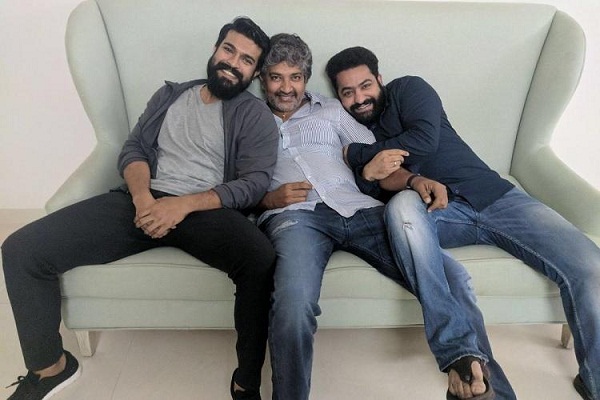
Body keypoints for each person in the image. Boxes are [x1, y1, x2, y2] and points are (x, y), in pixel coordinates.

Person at [2, 17, 278, 400]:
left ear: (255, 73)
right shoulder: (170, 95)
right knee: (21, 249)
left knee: (260, 257)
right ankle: (51, 369)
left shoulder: (255, 114)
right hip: (141, 200)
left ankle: (246, 380)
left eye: (246, 60)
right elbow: (133, 150)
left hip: (203, 208)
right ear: (215, 50)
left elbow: (254, 183)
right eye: (229, 50)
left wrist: (180, 206)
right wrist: (143, 198)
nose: (233, 62)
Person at [326, 45, 600, 400]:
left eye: (365, 86)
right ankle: (480, 380)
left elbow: (425, 140)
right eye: (348, 92)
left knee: (590, 264)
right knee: (400, 209)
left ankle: (595, 380)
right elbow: (371, 186)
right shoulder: (345, 129)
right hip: (435, 212)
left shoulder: (408, 89)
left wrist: (361, 156)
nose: (360, 98)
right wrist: (367, 170)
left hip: (493, 196)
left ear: (379, 79)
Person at [258, 33, 510, 400]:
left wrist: (413, 180)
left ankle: (474, 378)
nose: (286, 88)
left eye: (295, 77)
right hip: (296, 217)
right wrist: (267, 199)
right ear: (261, 79)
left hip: (361, 209)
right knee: (293, 305)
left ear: (306, 79)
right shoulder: (246, 119)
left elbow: (378, 162)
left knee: (454, 277)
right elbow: (233, 182)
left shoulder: (331, 111)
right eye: (276, 77)